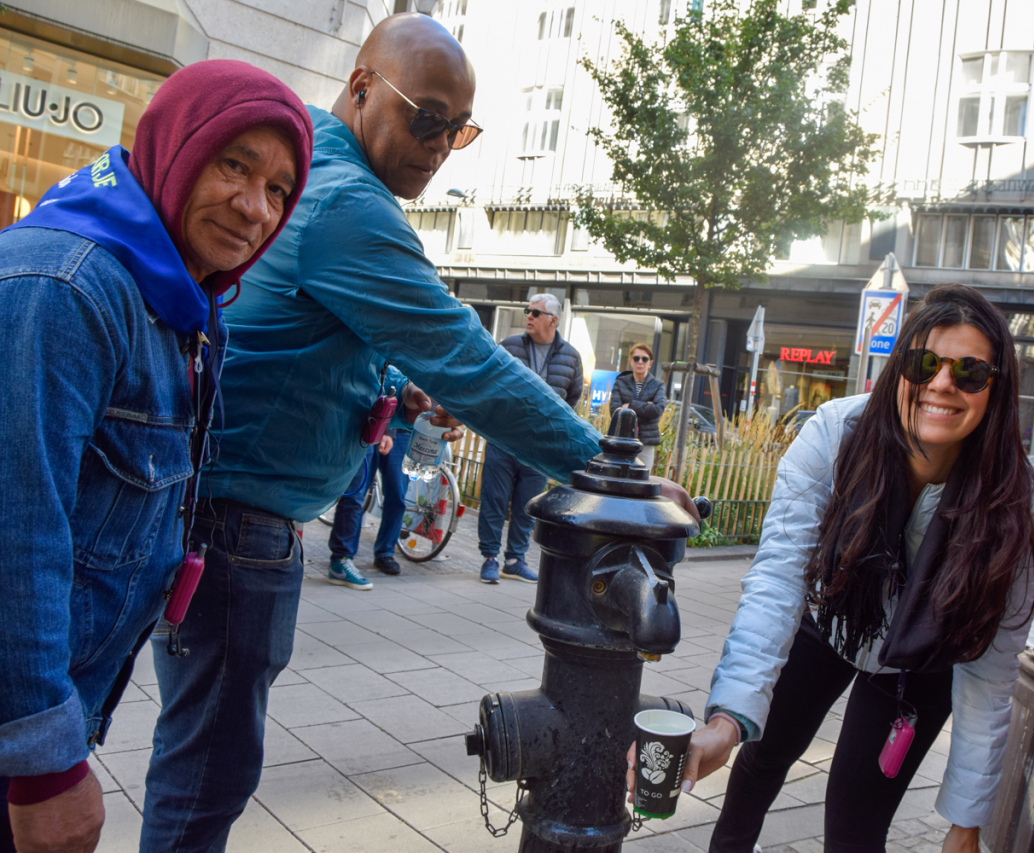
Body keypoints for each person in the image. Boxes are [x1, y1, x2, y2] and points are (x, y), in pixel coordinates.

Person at [140, 16, 695, 853]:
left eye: (458, 130)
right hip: (237, 532)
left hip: (210, 515)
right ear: (362, 88)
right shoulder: (349, 205)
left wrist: (395, 397)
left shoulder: (312, 170)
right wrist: (615, 476)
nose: (439, 147)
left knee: (198, 760)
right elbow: (467, 360)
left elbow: (299, 339)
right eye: (427, 118)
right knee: (204, 779)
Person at [0, 60, 310, 853]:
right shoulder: (66, 286)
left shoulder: (180, 298)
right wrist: (42, 767)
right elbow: (16, 538)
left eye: (279, 189)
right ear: (176, 149)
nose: (256, 208)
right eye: (234, 165)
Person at [632, 284, 1034, 853]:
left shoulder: (1014, 503)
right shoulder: (836, 435)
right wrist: (726, 720)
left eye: (970, 372)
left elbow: (992, 672)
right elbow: (778, 579)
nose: (941, 384)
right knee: (762, 757)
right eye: (924, 364)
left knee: (856, 824)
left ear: (997, 389)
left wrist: (965, 823)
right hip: (830, 614)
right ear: (898, 369)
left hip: (921, 659)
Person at [477, 293, 583, 584]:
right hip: (503, 439)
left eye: (536, 313)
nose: (529, 317)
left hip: (539, 447)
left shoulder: (571, 356)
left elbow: (572, 399)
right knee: (494, 500)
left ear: (553, 320)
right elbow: (488, 380)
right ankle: (489, 558)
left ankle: (515, 560)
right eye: (528, 311)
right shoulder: (509, 346)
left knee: (528, 506)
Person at [328, 428, 411, 588]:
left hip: (401, 429)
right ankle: (341, 559)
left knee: (397, 496)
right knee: (354, 495)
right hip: (367, 426)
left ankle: (385, 553)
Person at [610, 343, 668, 469]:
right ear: (631, 361)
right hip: (622, 440)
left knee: (642, 477)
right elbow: (615, 412)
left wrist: (630, 405)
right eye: (636, 358)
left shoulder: (658, 385)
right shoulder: (620, 383)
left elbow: (657, 410)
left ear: (650, 362)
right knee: (620, 476)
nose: (640, 362)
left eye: (644, 359)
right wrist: (646, 408)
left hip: (645, 443)